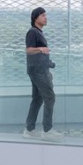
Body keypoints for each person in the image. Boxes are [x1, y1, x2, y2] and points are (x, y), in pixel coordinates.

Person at [24, 7, 63, 140]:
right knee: (50, 97)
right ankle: (47, 131)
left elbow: (40, 53)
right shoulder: (33, 32)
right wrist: (41, 48)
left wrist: (49, 63)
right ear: (36, 18)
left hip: (38, 69)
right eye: (43, 15)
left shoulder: (38, 32)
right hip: (38, 71)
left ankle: (29, 130)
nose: (46, 18)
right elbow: (29, 50)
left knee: (38, 99)